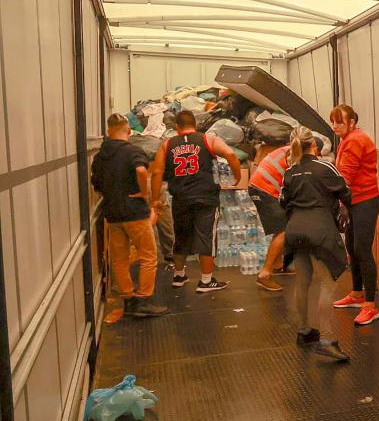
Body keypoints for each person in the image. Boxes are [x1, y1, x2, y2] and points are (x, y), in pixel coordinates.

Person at [280, 127, 352, 361]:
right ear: (315, 146)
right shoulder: (325, 167)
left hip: (295, 230)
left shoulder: (290, 171)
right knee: (327, 284)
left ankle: (304, 331)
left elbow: (283, 201)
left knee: (303, 282)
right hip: (320, 229)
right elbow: (346, 193)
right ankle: (328, 340)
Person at [150, 110, 241, 293]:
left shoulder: (167, 145)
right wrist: (237, 177)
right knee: (207, 236)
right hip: (206, 197)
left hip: (181, 198)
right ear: (196, 125)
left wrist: (154, 199)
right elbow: (230, 154)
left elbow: (157, 172)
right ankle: (206, 281)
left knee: (181, 236)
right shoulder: (208, 139)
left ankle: (178, 275)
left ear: (177, 127)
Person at [91, 113, 165, 316]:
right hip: (135, 213)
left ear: (108, 131)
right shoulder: (133, 151)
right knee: (148, 256)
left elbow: (96, 185)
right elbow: (141, 171)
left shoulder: (99, 157)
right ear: (128, 130)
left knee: (120, 259)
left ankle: (128, 300)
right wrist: (143, 192)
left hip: (113, 215)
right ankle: (143, 300)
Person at [330, 105, 379, 325]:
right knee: (352, 248)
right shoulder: (347, 139)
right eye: (333, 122)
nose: (335, 126)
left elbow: (345, 176)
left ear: (352, 122)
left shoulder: (354, 140)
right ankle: (356, 294)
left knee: (362, 250)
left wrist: (329, 196)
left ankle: (370, 306)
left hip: (365, 202)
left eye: (340, 122)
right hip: (354, 202)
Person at [248, 138, 297, 291]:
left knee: (284, 224)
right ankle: (264, 274)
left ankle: (278, 264)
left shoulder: (290, 150)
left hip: (262, 187)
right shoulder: (296, 155)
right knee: (284, 230)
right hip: (263, 189)